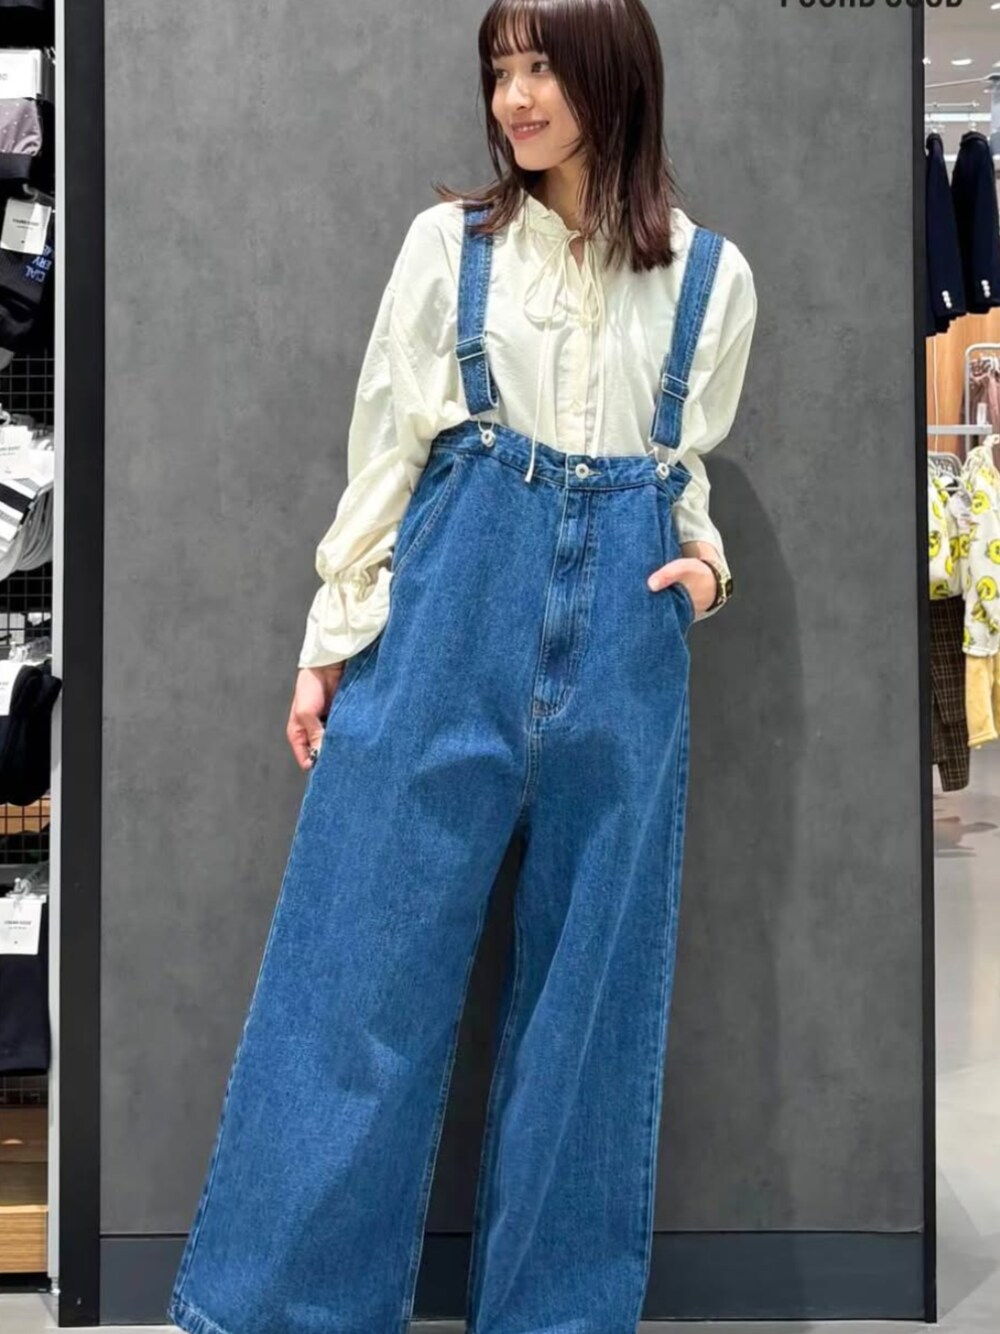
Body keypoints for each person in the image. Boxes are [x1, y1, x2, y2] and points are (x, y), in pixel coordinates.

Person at [168, 2, 758, 1332]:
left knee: (591, 1005)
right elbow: (386, 452)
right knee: (360, 968)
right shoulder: (453, 250)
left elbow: (682, 468)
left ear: (614, 73)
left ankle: (557, 1317)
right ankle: (286, 1313)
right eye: (502, 70)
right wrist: (330, 645)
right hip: (447, 622)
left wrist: (706, 569)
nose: (516, 98)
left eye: (543, 65)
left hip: (628, 644)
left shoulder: (712, 280)